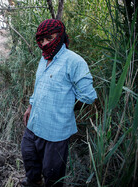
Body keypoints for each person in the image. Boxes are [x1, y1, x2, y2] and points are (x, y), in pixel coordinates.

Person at [20, 19, 97, 187]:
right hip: (35, 122)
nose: (45, 43)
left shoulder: (74, 61)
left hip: (56, 130)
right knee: (28, 153)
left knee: (52, 172)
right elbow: (39, 85)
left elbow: (88, 96)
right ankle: (33, 181)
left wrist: (66, 108)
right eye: (41, 40)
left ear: (60, 36)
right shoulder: (44, 58)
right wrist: (30, 106)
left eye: (49, 38)